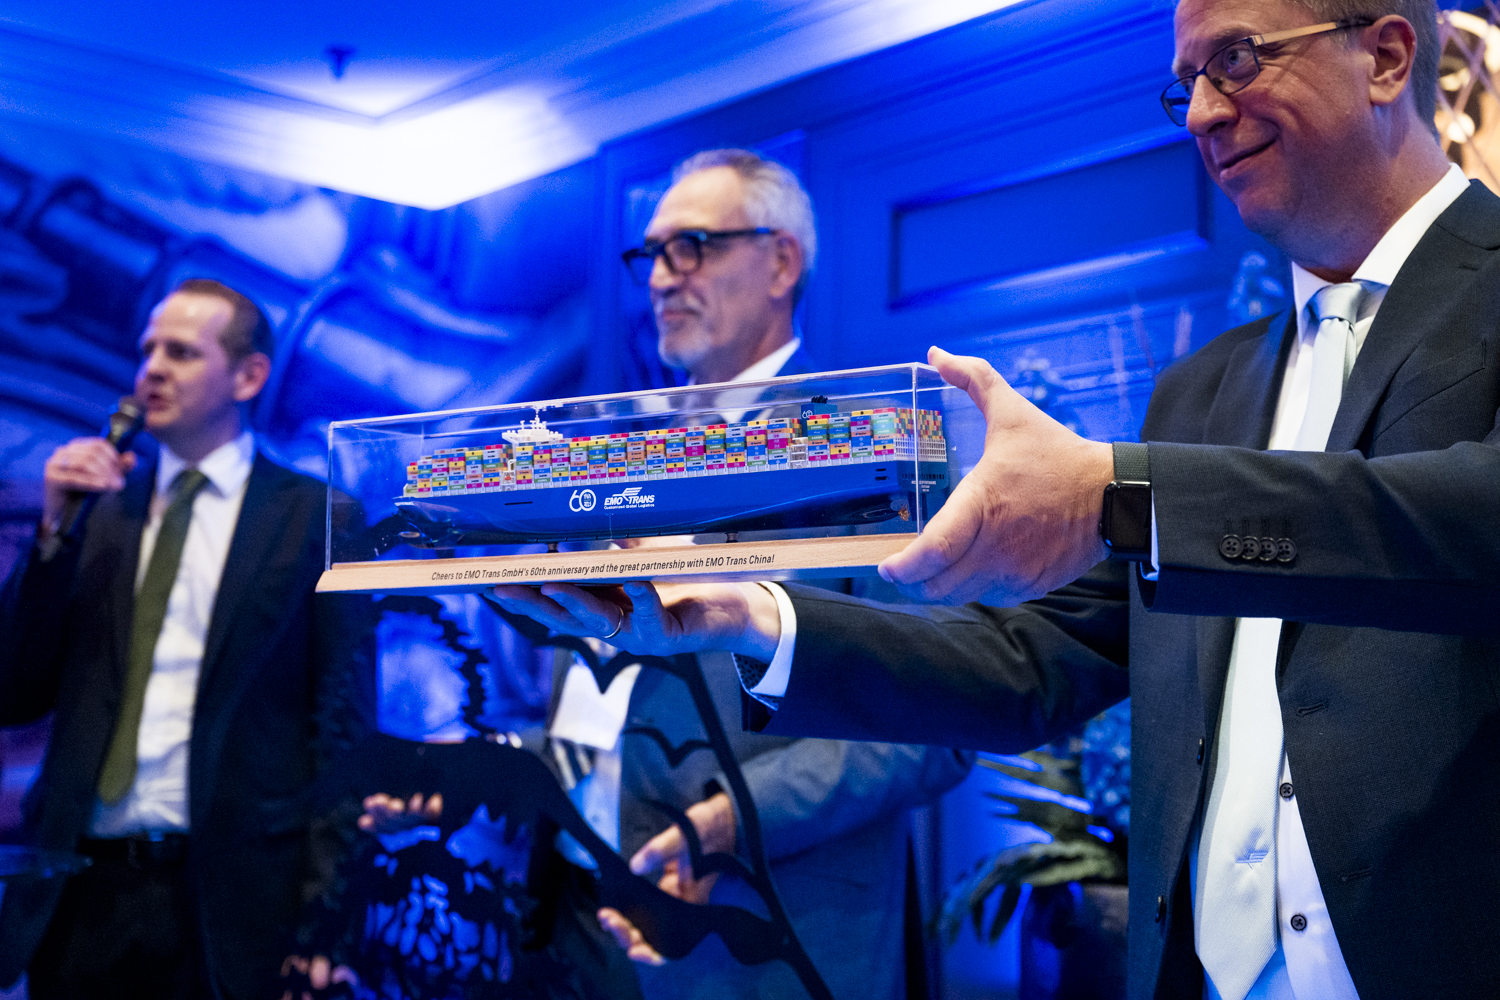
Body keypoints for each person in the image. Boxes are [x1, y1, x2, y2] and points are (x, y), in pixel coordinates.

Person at [491, 4, 1500, 1000]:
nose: (1200, 111)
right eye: (1186, 81)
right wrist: (751, 614)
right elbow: (1031, 661)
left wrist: (1123, 493)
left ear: (1385, 57)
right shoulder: (1204, 391)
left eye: (1236, 60)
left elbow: (1470, 519)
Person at [374, 150, 973, 1000]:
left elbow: (936, 720)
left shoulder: (875, 447)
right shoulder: (616, 456)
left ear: (782, 262)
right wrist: (492, 764)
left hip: (763, 935)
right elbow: (612, 711)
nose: (660, 278)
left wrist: (728, 822)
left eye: (691, 247)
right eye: (651, 254)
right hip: (576, 925)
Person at [0, 279, 375, 1000]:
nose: (152, 370)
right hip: (78, 895)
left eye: (180, 352)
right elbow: (13, 694)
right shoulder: (98, 511)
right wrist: (50, 537)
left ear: (249, 376)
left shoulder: (318, 519)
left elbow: (344, 733)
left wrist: (328, 921)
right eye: (147, 351)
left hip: (233, 905)